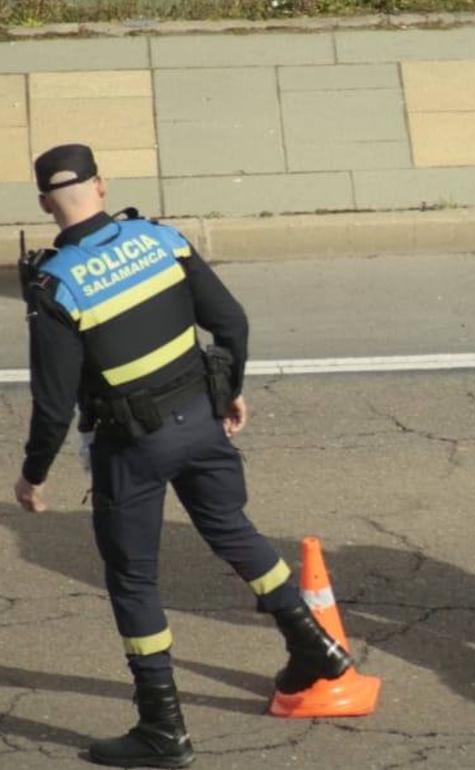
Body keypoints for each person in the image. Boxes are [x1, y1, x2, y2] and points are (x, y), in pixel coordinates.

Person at [13, 144, 354, 768]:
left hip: (132, 446)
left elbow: (54, 403)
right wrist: (231, 392)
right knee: (233, 530)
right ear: (102, 186)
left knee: (134, 578)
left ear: (43, 204)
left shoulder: (56, 283)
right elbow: (232, 321)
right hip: (200, 421)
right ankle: (316, 648)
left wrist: (33, 475)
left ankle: (162, 729)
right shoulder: (160, 239)